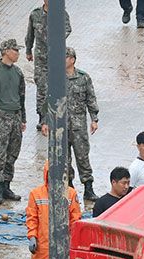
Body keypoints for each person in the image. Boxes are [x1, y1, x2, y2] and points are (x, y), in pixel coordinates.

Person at [48, 47, 99, 202]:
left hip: (78, 126)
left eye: (65, 57)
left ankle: (88, 188)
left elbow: (91, 99)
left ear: (72, 60)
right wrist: (45, 121)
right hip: (61, 126)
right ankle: (69, 189)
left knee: (82, 156)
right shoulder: (56, 77)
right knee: (64, 159)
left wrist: (94, 119)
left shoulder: (83, 78)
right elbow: (48, 100)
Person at [0, 39, 27, 206]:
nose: (17, 53)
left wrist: (22, 118)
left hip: (15, 116)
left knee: (13, 153)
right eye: (15, 50)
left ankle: (7, 185)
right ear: (6, 51)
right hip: (0, 117)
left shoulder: (18, 72)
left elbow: (22, 96)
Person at [25, 0, 72, 126]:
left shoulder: (61, 13)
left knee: (57, 85)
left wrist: (57, 38)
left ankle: (58, 113)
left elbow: (68, 29)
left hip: (56, 56)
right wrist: (28, 50)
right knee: (41, 87)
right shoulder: (35, 14)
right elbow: (30, 34)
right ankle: (43, 117)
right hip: (41, 58)